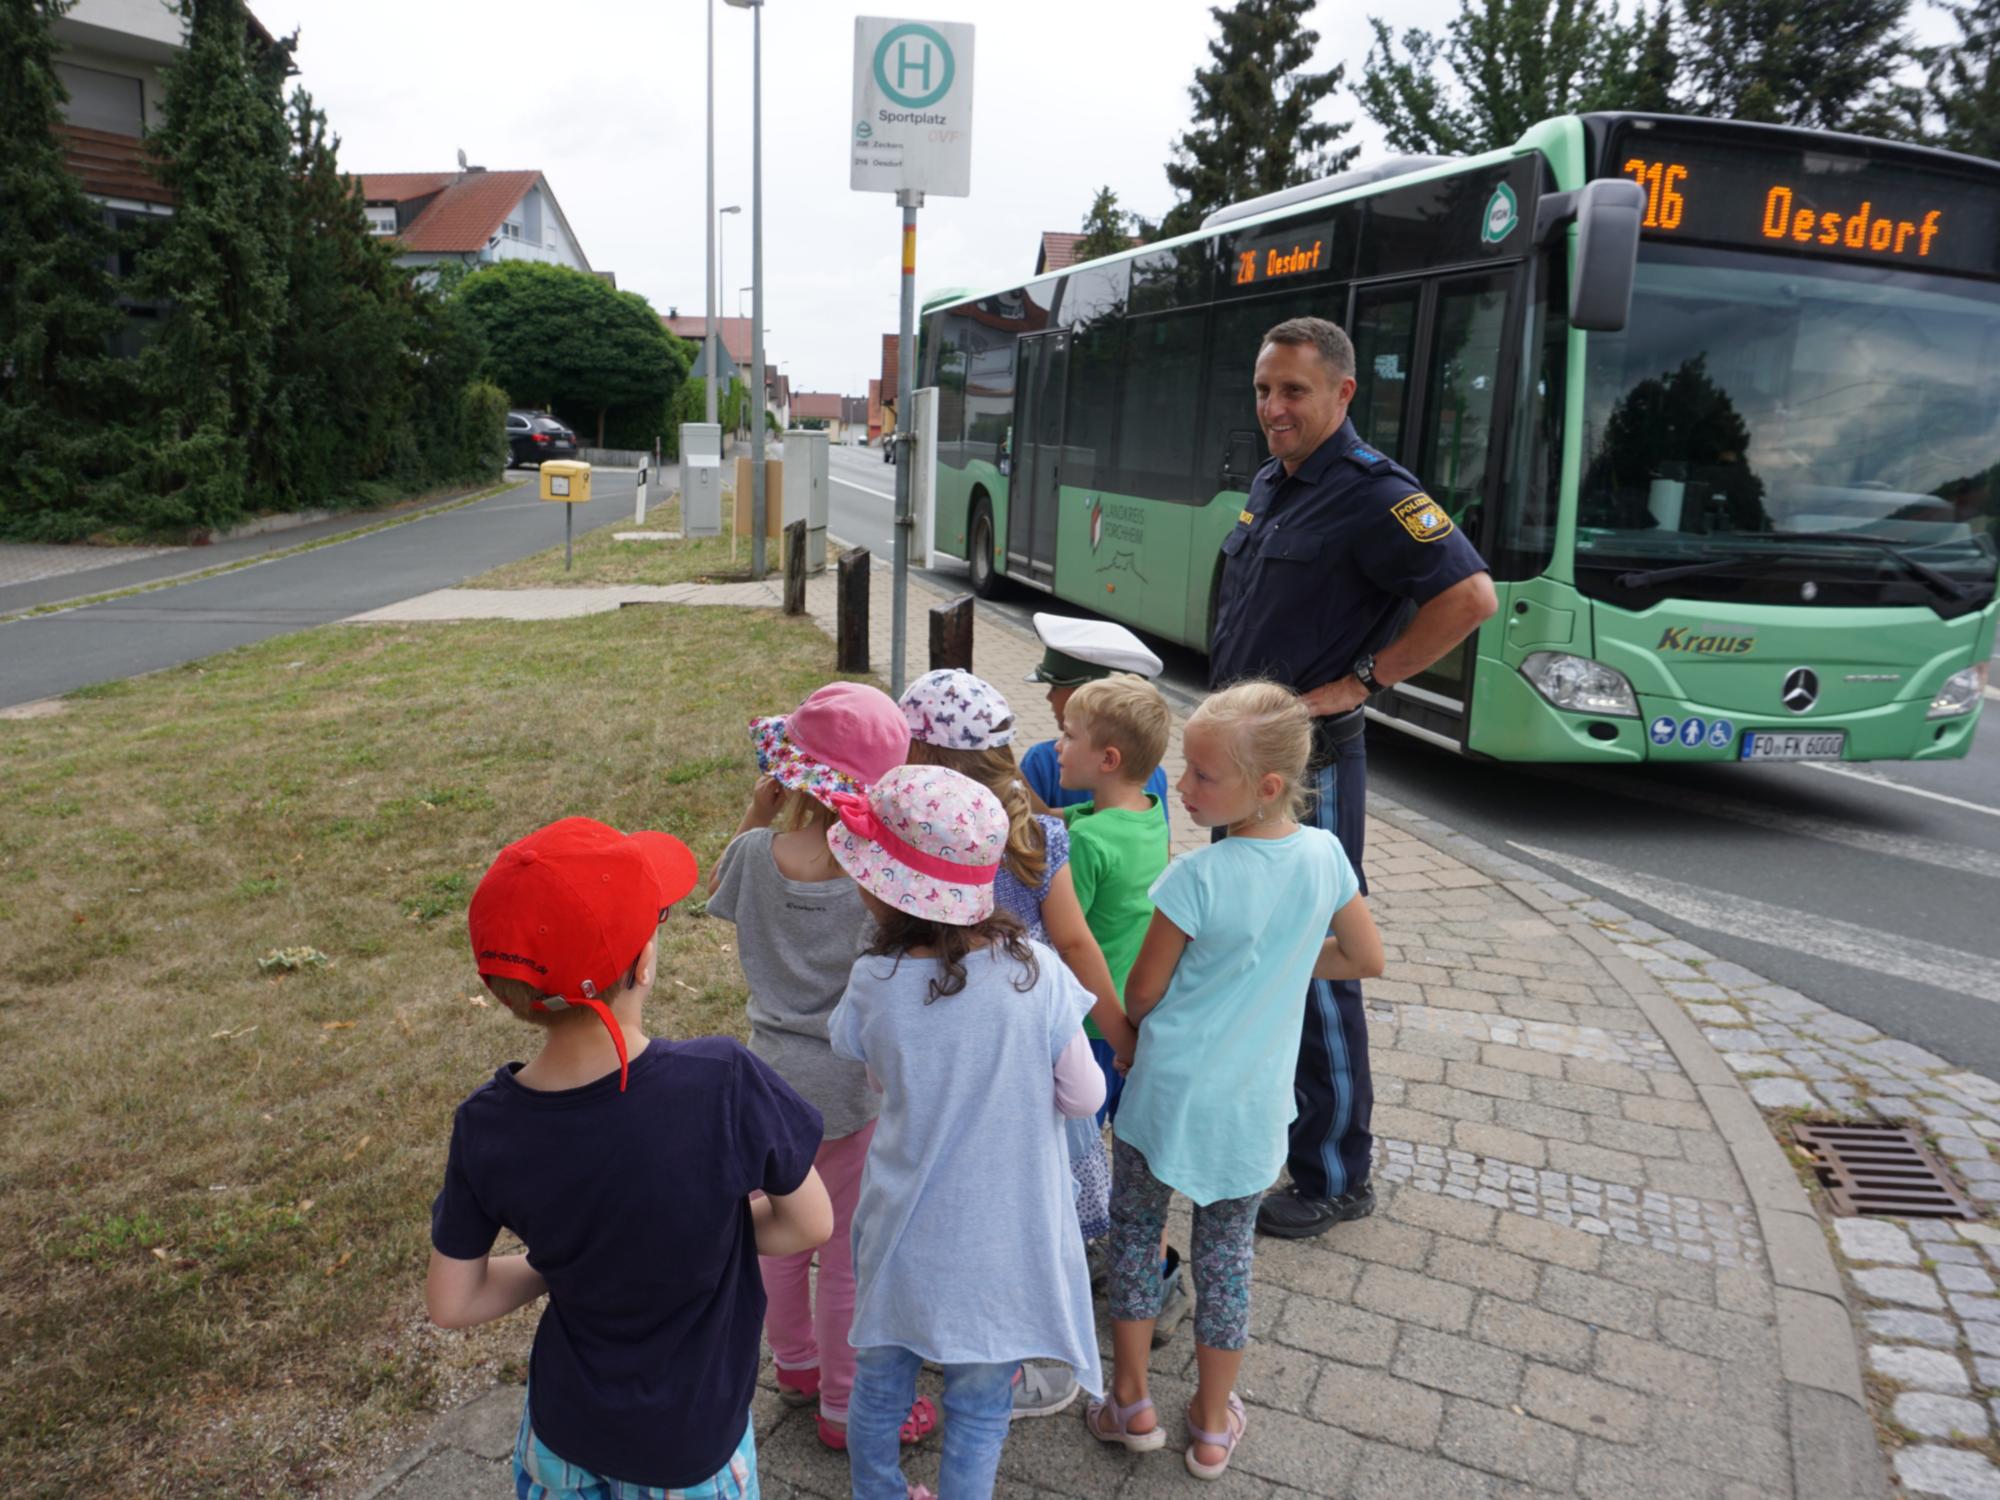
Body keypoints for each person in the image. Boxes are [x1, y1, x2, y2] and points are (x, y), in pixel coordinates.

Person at [429, 817, 832, 1499]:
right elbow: (810, 1223)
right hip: (691, 1451)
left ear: (508, 993)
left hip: (562, 1439)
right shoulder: (722, 1081)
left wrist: (559, 1261)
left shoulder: (486, 1124)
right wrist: (714, 1231)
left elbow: (453, 1300)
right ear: (645, 962)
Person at [1209, 315, 1496, 1241]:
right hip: (1245, 769)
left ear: (1341, 393)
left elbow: (1470, 596)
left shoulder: (1379, 496)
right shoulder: (1272, 484)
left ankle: (1335, 1174)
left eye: (1293, 390)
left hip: (1309, 771)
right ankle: (1271, 1138)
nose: (1274, 407)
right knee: (1256, 952)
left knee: (1315, 960)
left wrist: (1361, 682)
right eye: (1263, 389)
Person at [1090, 683, 1383, 1480]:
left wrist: (1126, 1035)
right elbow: (1365, 957)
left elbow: (1145, 994)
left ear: (1266, 787)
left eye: (1202, 777)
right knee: (1227, 1261)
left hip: (1166, 1096)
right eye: (1185, 771)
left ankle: (1130, 1401)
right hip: (1252, 1111)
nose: (1181, 789)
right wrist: (1284, 968)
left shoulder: (1199, 876)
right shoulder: (1326, 856)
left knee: (1137, 1237)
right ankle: (1214, 1425)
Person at [825, 766, 1105, 1500]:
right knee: (980, 1406)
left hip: (899, 1232)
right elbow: (1084, 1095)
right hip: (1002, 1243)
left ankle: (878, 1491)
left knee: (878, 1388)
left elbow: (879, 1078)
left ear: (884, 889)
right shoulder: (1037, 974)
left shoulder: (873, 984)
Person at [705, 682, 938, 1454]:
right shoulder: (876, 882)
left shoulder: (750, 854)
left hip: (765, 1080)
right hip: (849, 1086)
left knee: (778, 1234)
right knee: (844, 1255)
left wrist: (760, 813)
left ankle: (796, 1366)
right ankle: (844, 1407)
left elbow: (719, 895)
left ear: (790, 776)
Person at [1018, 613, 1171, 829]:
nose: (1049, 697)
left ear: (1086, 695)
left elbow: (1025, 832)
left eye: (1055, 687)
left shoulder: (1043, 759)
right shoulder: (1153, 771)